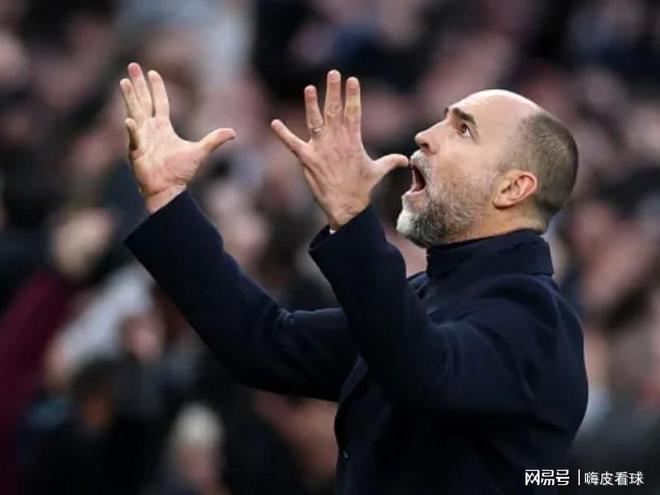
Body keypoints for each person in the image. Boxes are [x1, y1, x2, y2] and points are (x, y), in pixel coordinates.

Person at [120, 62, 588, 494]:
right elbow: (266, 344)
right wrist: (169, 199)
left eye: (463, 130)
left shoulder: (537, 322)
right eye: (442, 120)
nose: (425, 136)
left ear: (513, 187)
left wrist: (351, 217)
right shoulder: (428, 295)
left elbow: (425, 371)